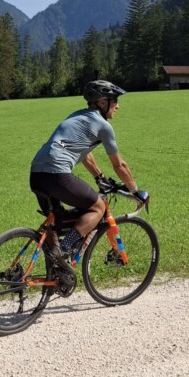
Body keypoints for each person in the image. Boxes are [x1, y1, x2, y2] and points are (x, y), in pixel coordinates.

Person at [29, 80, 149, 272]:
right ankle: (66, 247)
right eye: (114, 101)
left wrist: (100, 177)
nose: (117, 106)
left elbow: (84, 154)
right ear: (102, 102)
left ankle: (55, 276)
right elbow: (119, 165)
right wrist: (135, 191)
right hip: (57, 172)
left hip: (36, 173)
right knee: (98, 207)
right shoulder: (103, 126)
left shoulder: (76, 116)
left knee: (55, 221)